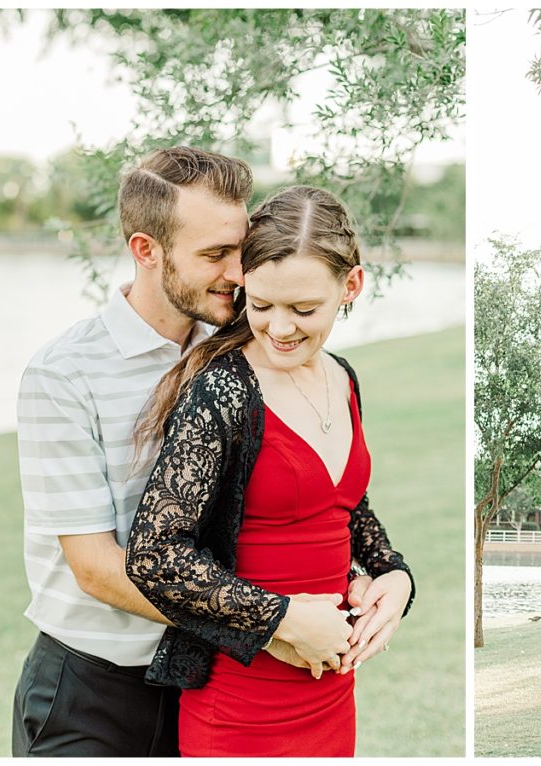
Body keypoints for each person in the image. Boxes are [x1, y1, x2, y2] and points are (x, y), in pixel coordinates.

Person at [11, 147, 390, 757]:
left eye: (239, 251)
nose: (239, 275)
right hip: (96, 689)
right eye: (215, 256)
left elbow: (284, 505)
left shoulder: (244, 346)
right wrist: (275, 624)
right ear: (147, 250)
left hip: (213, 672)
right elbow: (95, 566)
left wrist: (382, 577)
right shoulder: (64, 374)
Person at [125, 185, 414, 757]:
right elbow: (154, 554)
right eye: (260, 305)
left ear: (351, 286)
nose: (280, 328)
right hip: (240, 702)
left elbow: (345, 506)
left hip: (332, 693)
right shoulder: (224, 389)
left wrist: (394, 577)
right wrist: (280, 618)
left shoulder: (343, 377)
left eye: (304, 310)